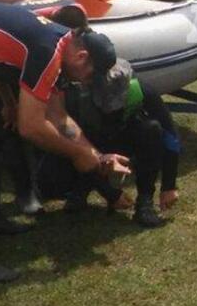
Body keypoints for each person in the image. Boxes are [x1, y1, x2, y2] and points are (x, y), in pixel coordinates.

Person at [0, 2, 130, 283]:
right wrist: (77, 154)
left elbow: (60, 118)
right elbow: (31, 126)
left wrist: (97, 156)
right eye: (89, 76)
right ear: (83, 57)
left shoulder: (60, 44)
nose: (85, 83)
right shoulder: (50, 51)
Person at [57, 58, 180, 228]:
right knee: (59, 163)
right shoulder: (76, 99)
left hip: (124, 135)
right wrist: (110, 194)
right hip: (92, 141)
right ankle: (80, 187)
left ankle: (145, 201)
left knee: (152, 130)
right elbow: (71, 145)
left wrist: (169, 185)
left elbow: (171, 136)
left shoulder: (144, 91)